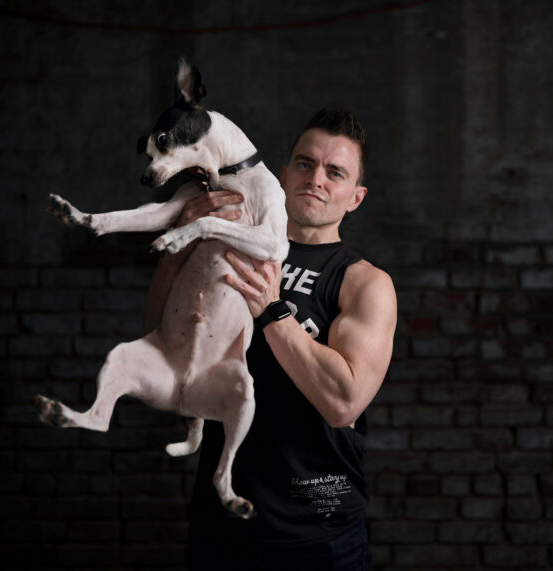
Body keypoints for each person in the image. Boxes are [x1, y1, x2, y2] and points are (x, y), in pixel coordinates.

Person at [143, 109, 397, 570]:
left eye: (334, 172)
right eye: (305, 163)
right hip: (223, 521)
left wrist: (272, 310)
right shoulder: (224, 242)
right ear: (282, 174)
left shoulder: (363, 283)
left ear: (355, 197)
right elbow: (160, 343)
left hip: (315, 533)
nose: (316, 179)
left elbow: (344, 402)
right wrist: (176, 245)